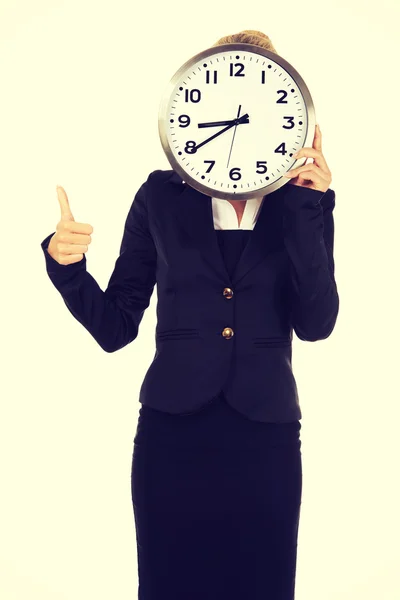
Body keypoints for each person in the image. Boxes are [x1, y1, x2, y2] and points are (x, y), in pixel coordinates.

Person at [40, 29, 339, 600]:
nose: (238, 120)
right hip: (172, 434)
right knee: (167, 585)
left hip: (267, 434)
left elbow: (317, 322)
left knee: (264, 587)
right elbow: (115, 326)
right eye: (225, 108)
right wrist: (66, 267)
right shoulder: (159, 197)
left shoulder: (301, 201)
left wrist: (309, 203)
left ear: (290, 119)